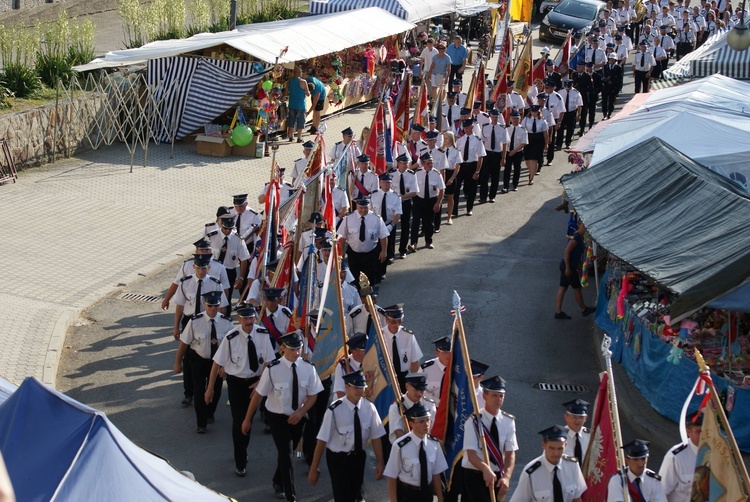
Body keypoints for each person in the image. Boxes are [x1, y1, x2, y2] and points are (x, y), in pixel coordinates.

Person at [242, 330, 324, 501]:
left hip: (298, 417)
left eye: (298, 348)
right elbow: (258, 395)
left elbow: (313, 394)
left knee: (287, 453)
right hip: (277, 417)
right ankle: (290, 494)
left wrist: (301, 412)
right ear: (283, 349)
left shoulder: (308, 368)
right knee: (286, 455)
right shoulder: (273, 369)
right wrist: (247, 419)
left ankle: (277, 480)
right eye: (292, 349)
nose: (296, 352)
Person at [206, 304, 275, 476]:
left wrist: (260, 382)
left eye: (251, 318)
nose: (249, 322)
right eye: (245, 318)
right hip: (236, 384)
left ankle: (242, 447)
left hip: (256, 383)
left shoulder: (263, 334)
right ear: (239, 319)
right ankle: (240, 460)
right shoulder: (231, 337)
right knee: (239, 421)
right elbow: (217, 363)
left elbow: (269, 361)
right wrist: (210, 388)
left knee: (249, 420)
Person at [308, 369, 386, 502]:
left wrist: (380, 462)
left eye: (361, 388)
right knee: (343, 497)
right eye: (355, 387)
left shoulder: (369, 409)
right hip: (338, 460)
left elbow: (376, 437)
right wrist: (313, 468)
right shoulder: (335, 410)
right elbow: (322, 440)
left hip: (358, 458)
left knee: (355, 495)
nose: (359, 391)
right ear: (347, 387)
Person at [173, 291, 234, 433]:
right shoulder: (195, 322)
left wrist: (226, 365)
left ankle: (209, 413)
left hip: (217, 362)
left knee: (216, 390)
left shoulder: (227, 323)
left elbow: (232, 347)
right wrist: (177, 362)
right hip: (199, 360)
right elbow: (184, 343)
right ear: (204, 304)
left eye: (216, 305)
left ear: (219, 305)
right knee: (200, 391)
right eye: (210, 305)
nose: (213, 308)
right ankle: (201, 423)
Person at [172, 254, 228, 407]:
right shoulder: (186, 282)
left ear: (208, 267)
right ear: (194, 267)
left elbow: (221, 307)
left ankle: (207, 391)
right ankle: (189, 393)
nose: (201, 270)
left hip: (209, 321)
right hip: (190, 320)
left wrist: (219, 323)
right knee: (189, 359)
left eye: (204, 267)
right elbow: (180, 306)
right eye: (199, 267)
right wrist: (176, 326)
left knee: (210, 356)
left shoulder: (215, 284)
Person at [462, 376, 517, 502]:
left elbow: (510, 453)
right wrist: (485, 469)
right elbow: (471, 454)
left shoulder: (508, 421)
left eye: (501, 396)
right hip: (475, 474)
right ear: (485, 396)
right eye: (494, 395)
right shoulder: (473, 421)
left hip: (497, 475)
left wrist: (507, 477)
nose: (498, 399)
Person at [384, 404, 448, 502]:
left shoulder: (434, 444)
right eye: (421, 421)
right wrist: (393, 500)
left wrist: (440, 498)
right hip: (407, 493)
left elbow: (436, 473)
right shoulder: (400, 446)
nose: (426, 424)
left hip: (426, 493)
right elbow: (392, 475)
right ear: (411, 423)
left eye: (428, 420)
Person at [509, 425, 587, 502]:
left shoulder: (572, 466)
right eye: (551, 448)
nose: (556, 453)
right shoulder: (531, 472)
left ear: (565, 445)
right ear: (543, 445)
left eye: (560, 449)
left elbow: (577, 498)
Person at [338, 196, 389, 291]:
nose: (363, 210)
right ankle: (358, 301)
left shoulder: (376, 219)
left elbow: (383, 236)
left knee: (370, 281)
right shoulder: (348, 219)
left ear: (369, 206)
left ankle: (370, 301)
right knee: (354, 281)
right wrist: (341, 252)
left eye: (365, 207)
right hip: (354, 255)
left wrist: (384, 251)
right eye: (361, 208)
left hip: (371, 254)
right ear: (357, 206)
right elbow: (342, 237)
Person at [555, 217, 596, 319]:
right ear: (579, 225)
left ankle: (558, 312)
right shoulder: (576, 237)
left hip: (568, 266)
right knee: (577, 288)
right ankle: (583, 309)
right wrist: (568, 268)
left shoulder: (580, 237)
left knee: (563, 287)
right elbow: (567, 252)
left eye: (586, 226)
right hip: (568, 266)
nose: (585, 228)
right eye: (583, 226)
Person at [208, 212, 250, 309]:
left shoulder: (238, 239)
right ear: (221, 226)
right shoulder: (212, 236)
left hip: (229, 271)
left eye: (230, 229)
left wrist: (241, 277)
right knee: (212, 295)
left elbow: (244, 259)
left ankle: (225, 316)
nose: (228, 231)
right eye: (225, 228)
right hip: (213, 270)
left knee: (226, 298)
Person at [658, 412, 702, 501]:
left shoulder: (718, 454)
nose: (704, 435)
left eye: (707, 430)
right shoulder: (675, 457)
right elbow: (660, 493)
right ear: (688, 432)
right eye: (699, 431)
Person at [381, 304, 423, 392]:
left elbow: (414, 361)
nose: (397, 324)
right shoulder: (380, 335)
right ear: (387, 320)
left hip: (403, 376)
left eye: (399, 321)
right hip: (385, 376)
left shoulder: (408, 335)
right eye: (393, 321)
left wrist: (413, 382)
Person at [409, 152, 445, 251]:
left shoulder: (437, 174)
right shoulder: (417, 173)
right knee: (415, 222)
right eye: (428, 163)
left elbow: (442, 189)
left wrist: (438, 203)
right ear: (423, 163)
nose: (430, 165)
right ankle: (413, 244)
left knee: (429, 223)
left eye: (431, 162)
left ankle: (428, 241)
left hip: (431, 201)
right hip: (418, 201)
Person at [388, 373, 437, 443]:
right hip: (404, 447)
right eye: (416, 390)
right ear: (407, 386)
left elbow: (429, 430)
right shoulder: (397, 407)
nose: (419, 393)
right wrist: (411, 446)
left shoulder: (429, 405)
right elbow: (398, 432)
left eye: (422, 390)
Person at [371, 172, 402, 279]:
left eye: (388, 182)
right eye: (384, 182)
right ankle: (375, 270)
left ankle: (382, 271)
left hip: (389, 225)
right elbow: (370, 211)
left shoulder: (396, 197)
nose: (386, 184)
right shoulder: (373, 195)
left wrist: (392, 225)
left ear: (391, 183)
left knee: (385, 248)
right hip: (375, 225)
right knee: (375, 248)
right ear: (380, 183)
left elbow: (398, 214)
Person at [454, 120, 486, 217]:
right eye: (465, 128)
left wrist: (477, 171)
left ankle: (469, 208)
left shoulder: (477, 140)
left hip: (472, 165)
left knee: (472, 189)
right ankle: (454, 209)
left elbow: (480, 157)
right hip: (461, 166)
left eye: (468, 128)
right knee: (456, 187)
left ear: (472, 127)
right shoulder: (460, 140)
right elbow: (456, 155)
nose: (466, 130)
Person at [389, 154, 418, 259]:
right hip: (393, 204)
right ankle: (390, 253)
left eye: (407, 163)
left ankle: (402, 250)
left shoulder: (411, 174)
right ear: (398, 164)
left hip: (405, 203)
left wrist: (402, 197)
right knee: (393, 226)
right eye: (404, 163)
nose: (406, 165)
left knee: (405, 226)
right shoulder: (391, 174)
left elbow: (415, 192)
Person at [479, 109, 507, 204]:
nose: (495, 118)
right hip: (487, 154)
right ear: (490, 117)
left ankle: (492, 196)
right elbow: (482, 142)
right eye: (493, 116)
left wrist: (503, 158)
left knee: (495, 177)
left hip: (497, 154)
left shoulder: (502, 128)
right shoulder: (485, 127)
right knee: (484, 177)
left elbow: (504, 144)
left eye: (496, 117)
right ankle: (483, 197)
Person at [332, 332, 368, 398]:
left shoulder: (370, 362)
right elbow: (340, 392)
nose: (368, 352)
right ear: (355, 352)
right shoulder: (343, 365)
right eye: (364, 350)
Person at [521, 106, 549, 186]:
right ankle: (531, 171)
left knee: (534, 159)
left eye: (535, 112)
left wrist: (546, 143)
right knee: (528, 160)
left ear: (538, 112)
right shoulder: (526, 119)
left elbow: (545, 133)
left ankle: (531, 178)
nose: (534, 113)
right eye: (533, 112)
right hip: (528, 139)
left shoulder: (542, 120)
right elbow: (522, 129)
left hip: (538, 140)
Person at [420, 336, 451, 405]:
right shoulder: (426, 370)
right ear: (437, 352)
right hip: (433, 410)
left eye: (451, 352)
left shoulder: (461, 369)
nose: (449, 355)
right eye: (445, 352)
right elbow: (420, 393)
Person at [502, 110, 527, 193]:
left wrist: (514, 151)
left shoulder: (523, 130)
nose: (514, 120)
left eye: (516, 118)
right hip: (508, 151)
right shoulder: (507, 129)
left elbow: (524, 142)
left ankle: (515, 184)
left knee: (517, 169)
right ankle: (506, 186)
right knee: (507, 169)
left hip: (518, 152)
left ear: (519, 119)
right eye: (513, 118)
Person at [441, 131, 463, 224]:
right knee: (439, 197)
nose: (445, 140)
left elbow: (457, 167)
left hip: (450, 173)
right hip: (441, 172)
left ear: (451, 139)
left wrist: (452, 178)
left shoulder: (456, 151)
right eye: (444, 138)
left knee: (450, 197)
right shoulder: (440, 150)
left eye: (446, 138)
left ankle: (449, 217)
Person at [285, 66, 311, 143]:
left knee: (291, 121)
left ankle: (291, 136)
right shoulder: (303, 82)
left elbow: (286, 93)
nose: (301, 73)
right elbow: (308, 93)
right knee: (300, 121)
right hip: (301, 105)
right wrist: (308, 92)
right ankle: (299, 137)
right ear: (299, 73)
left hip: (292, 104)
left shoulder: (290, 81)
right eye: (300, 71)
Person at [562, 399, 591, 467]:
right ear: (566, 417)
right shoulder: (558, 437)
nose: (577, 421)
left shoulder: (591, 436)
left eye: (580, 417)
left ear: (585, 418)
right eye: (573, 417)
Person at [556, 81, 583, 150]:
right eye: (566, 87)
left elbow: (579, 104)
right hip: (562, 112)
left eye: (569, 88)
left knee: (570, 128)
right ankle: (559, 144)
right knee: (560, 128)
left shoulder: (576, 93)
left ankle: (568, 143)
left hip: (571, 112)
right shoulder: (560, 92)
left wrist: (579, 114)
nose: (567, 89)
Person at [601, 53, 623, 120]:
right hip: (605, 87)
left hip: (613, 87)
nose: (611, 60)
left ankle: (609, 114)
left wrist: (618, 88)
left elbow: (620, 79)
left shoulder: (618, 68)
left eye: (613, 59)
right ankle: (604, 114)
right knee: (604, 101)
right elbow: (602, 75)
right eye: (610, 59)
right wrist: (604, 80)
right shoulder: (605, 66)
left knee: (611, 101)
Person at [306, 70, 326, 134]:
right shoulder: (309, 79)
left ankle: (316, 128)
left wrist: (308, 113)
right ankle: (313, 126)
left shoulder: (317, 92)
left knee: (317, 111)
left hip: (321, 97)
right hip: (314, 94)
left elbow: (314, 104)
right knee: (314, 111)